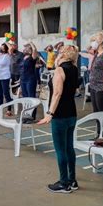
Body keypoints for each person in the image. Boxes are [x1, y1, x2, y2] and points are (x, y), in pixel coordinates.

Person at [38, 45, 80, 193]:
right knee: (69, 147)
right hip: (72, 114)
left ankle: (64, 183)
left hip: (60, 115)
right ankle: (72, 180)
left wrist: (49, 113)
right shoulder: (74, 69)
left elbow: (57, 94)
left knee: (60, 149)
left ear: (62, 55)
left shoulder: (60, 70)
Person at [20, 42, 39, 122]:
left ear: (30, 50)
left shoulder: (32, 57)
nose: (24, 49)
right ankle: (26, 115)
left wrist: (31, 43)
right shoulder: (23, 57)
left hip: (30, 79)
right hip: (23, 79)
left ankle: (32, 116)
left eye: (26, 48)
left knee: (31, 97)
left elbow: (35, 49)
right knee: (25, 98)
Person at [0, 43, 12, 115]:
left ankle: (9, 109)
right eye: (0, 47)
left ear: (6, 48)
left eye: (3, 48)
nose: (1, 49)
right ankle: (0, 108)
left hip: (5, 76)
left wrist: (6, 42)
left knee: (6, 93)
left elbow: (10, 48)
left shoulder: (8, 55)